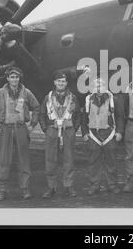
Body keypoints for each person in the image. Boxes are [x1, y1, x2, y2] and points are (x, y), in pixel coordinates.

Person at [0, 66, 40, 201]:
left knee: (24, 160)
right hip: (6, 129)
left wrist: (32, 124)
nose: (15, 79)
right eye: (12, 77)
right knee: (4, 160)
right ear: (8, 78)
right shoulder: (0, 93)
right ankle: (2, 190)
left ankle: (25, 189)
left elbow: (37, 107)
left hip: (21, 128)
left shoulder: (26, 92)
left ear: (20, 78)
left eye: (17, 77)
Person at [39, 71, 81, 199]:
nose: (61, 83)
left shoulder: (73, 97)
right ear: (55, 82)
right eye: (59, 81)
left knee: (69, 159)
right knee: (50, 159)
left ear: (66, 83)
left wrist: (74, 128)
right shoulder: (48, 97)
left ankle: (69, 186)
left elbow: (78, 114)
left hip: (68, 130)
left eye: (63, 81)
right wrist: (45, 129)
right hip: (52, 129)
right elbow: (42, 114)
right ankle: (51, 187)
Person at [81, 77, 124, 195]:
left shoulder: (113, 100)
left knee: (111, 161)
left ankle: (112, 184)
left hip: (109, 134)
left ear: (106, 87)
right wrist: (84, 133)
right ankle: (94, 185)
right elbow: (83, 118)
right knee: (93, 161)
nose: (99, 89)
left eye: (101, 86)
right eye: (96, 86)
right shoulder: (87, 100)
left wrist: (119, 131)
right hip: (93, 134)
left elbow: (120, 117)